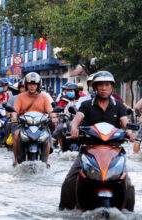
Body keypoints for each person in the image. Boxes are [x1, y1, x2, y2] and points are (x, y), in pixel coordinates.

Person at [59, 70, 135, 210]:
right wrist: (74, 128)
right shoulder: (87, 105)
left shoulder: (118, 105)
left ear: (112, 87)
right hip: (89, 149)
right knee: (69, 181)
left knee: (128, 184)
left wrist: (129, 133)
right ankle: (64, 211)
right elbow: (77, 119)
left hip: (114, 151)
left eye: (107, 85)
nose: (103, 88)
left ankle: (128, 212)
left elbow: (125, 122)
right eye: (100, 85)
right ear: (94, 87)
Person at [12, 72, 53, 166]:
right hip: (24, 124)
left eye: (34, 84)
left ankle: (46, 161)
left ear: (38, 85)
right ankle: (15, 159)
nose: (32, 86)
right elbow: (15, 110)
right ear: (26, 85)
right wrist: (14, 116)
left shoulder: (44, 97)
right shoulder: (20, 97)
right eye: (30, 84)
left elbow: (50, 110)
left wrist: (53, 116)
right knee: (16, 134)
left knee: (47, 136)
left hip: (40, 125)